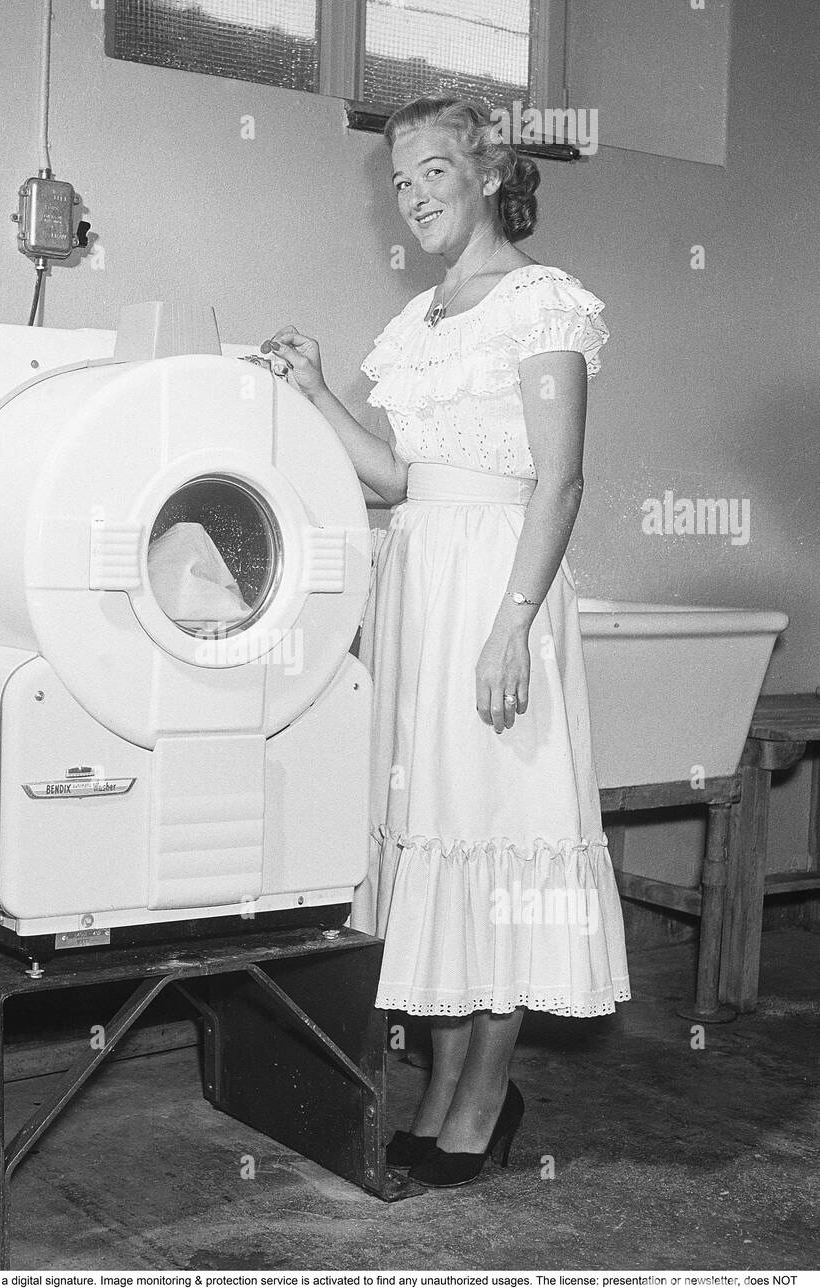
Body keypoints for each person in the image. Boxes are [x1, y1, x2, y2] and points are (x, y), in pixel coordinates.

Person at [265, 94, 630, 1189]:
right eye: (399, 180)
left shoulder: (541, 304)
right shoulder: (417, 324)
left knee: (498, 827)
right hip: (419, 580)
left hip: (496, 592)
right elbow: (394, 479)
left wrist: (510, 624)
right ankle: (440, 1089)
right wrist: (316, 389)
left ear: (485, 171)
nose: (412, 195)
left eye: (431, 171)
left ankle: (482, 1102)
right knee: (435, 827)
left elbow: (557, 480)